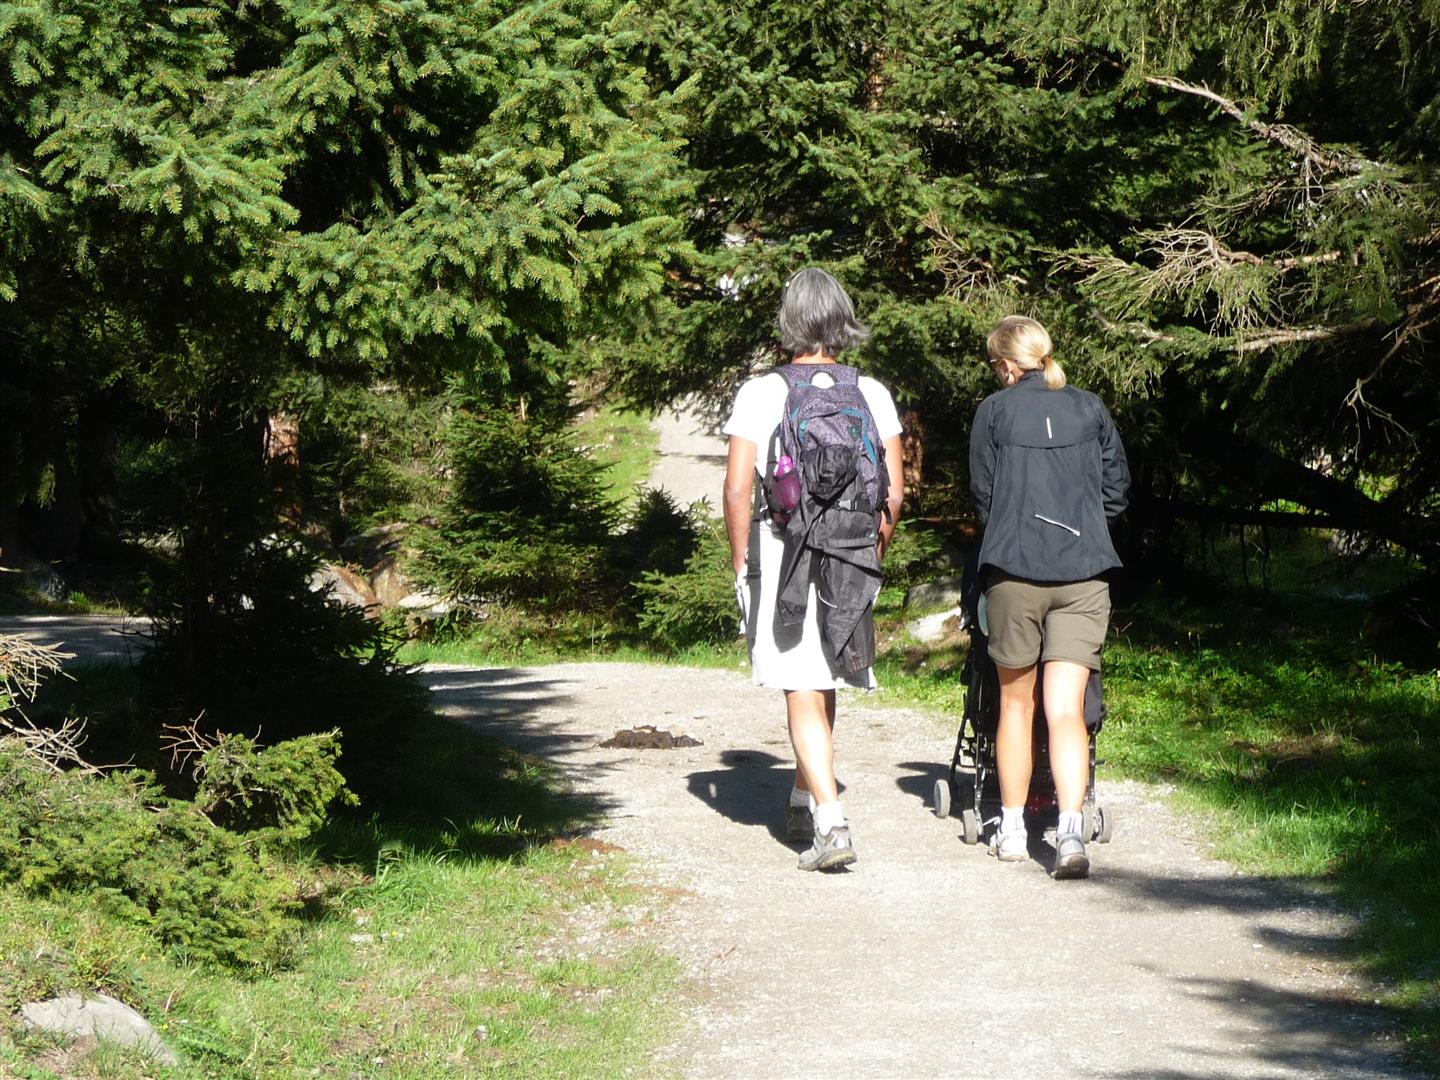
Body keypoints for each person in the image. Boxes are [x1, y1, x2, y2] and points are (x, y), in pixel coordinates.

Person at [722, 268, 905, 871]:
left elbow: (736, 488)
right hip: (853, 548)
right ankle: (804, 792)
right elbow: (895, 493)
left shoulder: (761, 393)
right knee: (824, 676)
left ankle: (831, 822)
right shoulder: (871, 393)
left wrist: (742, 558)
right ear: (842, 320)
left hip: (786, 551)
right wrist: (873, 549)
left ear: (788, 324)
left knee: (801, 684)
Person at [969, 315, 1129, 879]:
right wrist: (1083, 529)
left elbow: (983, 496)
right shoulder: (1090, 408)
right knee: (1067, 712)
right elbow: (1117, 490)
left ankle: (1012, 829)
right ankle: (1069, 832)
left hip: (1014, 572)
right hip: (1085, 574)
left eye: (996, 364)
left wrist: (1014, 534)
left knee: (1016, 705)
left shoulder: (994, 411)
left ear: (1008, 365)